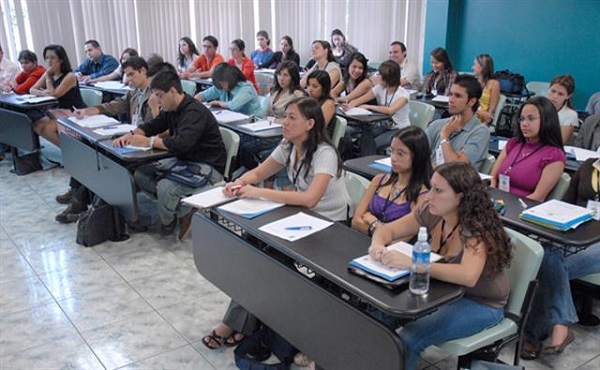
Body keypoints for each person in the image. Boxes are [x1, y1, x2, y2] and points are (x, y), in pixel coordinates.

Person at [202, 97, 350, 349]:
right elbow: (260, 172)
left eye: (293, 117)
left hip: (330, 225)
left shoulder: (324, 153)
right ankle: (245, 322)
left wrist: (259, 192)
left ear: (310, 124)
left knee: (269, 260)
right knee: (256, 252)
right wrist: (240, 184)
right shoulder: (288, 146)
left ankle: (239, 324)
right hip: (302, 219)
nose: (285, 122)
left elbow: (310, 199)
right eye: (286, 116)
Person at [369, 161, 512, 370]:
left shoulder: (476, 227)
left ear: (460, 197)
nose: (428, 196)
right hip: (442, 290)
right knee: (377, 317)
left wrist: (414, 264)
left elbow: (467, 276)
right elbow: (387, 230)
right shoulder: (432, 210)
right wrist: (377, 244)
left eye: (438, 191)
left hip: (481, 303)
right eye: (431, 188)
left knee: (411, 337)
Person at [115, 70, 226, 238]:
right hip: (185, 161)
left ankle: (171, 220)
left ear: (173, 91)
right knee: (140, 174)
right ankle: (182, 209)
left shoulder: (193, 112)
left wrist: (149, 142)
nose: (157, 102)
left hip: (207, 166)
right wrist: (132, 135)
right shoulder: (172, 108)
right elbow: (154, 125)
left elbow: (182, 143)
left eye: (159, 96)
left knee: (166, 187)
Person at [55, 56, 156, 224]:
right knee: (89, 149)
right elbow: (113, 106)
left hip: (143, 144)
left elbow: (156, 125)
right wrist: (87, 111)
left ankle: (87, 206)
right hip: (130, 137)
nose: (128, 80)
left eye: (131, 75)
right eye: (126, 75)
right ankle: (78, 195)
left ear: (143, 71)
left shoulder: (155, 94)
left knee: (102, 160)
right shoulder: (134, 93)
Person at [521, 157, 600, 360]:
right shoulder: (589, 165)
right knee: (546, 255)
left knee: (549, 266)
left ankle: (534, 335)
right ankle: (561, 324)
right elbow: (564, 203)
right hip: (575, 233)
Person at [351, 126, 431, 236]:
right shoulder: (379, 180)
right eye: (392, 151)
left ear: (417, 156)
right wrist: (383, 232)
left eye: (400, 153)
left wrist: (373, 222)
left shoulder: (422, 196)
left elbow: (400, 239)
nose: (393, 158)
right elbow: (356, 221)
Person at [489, 96, 565, 201]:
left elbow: (537, 197)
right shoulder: (514, 143)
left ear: (546, 120)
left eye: (531, 118)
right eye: (522, 119)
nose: (524, 124)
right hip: (495, 202)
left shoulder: (554, 155)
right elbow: (492, 177)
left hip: (520, 208)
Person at [238, 60, 306, 170]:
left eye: (285, 75)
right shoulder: (275, 91)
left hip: (283, 134)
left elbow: (296, 120)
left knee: (247, 148)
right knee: (241, 140)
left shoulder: (297, 95)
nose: (281, 78)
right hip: (267, 129)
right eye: (279, 74)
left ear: (293, 77)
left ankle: (254, 175)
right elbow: (267, 113)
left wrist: (271, 120)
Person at [345, 60, 411, 155]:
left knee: (375, 143)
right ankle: (364, 159)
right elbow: (361, 99)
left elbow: (390, 110)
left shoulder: (403, 94)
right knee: (364, 135)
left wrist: (368, 106)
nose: (377, 77)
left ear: (388, 78)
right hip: (384, 126)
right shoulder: (380, 88)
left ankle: (367, 161)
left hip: (399, 129)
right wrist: (349, 106)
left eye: (380, 75)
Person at [425, 74, 489, 170]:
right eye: (451, 94)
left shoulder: (480, 132)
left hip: (453, 183)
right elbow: (416, 155)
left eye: (458, 96)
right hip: (428, 179)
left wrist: (444, 137)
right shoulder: (437, 125)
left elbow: (456, 168)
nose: (451, 100)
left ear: (472, 101)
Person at [30, 44, 85, 147]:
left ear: (61, 60)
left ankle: (70, 152)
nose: (48, 61)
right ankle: (65, 148)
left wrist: (48, 78)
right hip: (57, 111)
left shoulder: (70, 76)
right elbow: (32, 89)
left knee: (46, 128)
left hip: (73, 112)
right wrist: (43, 93)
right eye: (46, 58)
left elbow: (54, 95)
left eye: (52, 57)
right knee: (36, 125)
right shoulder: (49, 73)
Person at [195, 63, 261, 116]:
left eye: (222, 83)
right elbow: (202, 95)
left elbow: (234, 105)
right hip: (233, 121)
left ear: (230, 79)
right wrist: (193, 103)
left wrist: (219, 103)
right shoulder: (221, 86)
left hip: (252, 122)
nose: (221, 87)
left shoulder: (246, 88)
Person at [547, 75, 578, 144]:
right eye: (553, 91)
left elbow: (560, 142)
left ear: (568, 96)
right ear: (548, 89)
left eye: (560, 94)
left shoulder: (571, 115)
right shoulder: (536, 107)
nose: (555, 96)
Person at [472, 54, 500, 126]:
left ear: (482, 67)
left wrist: (484, 125)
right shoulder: (473, 82)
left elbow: (492, 109)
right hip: (472, 114)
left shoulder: (494, 84)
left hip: (482, 119)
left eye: (475, 65)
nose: (472, 67)